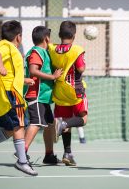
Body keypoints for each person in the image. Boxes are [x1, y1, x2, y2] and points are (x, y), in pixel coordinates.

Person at [0, 20, 38, 176]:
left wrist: (24, 80)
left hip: (11, 90)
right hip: (10, 93)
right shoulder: (5, 46)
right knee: (19, 126)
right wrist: (0, 66)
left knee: (11, 129)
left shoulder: (10, 48)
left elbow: (11, 73)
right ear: (18, 36)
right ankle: (22, 162)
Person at [48, 21, 88, 166]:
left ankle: (67, 153)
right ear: (74, 35)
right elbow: (81, 68)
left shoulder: (52, 49)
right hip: (74, 90)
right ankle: (62, 123)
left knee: (65, 123)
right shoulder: (77, 49)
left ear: (59, 34)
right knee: (83, 119)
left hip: (59, 91)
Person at [23, 26, 62, 165]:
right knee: (36, 122)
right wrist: (52, 76)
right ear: (46, 38)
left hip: (43, 97)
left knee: (50, 125)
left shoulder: (43, 52)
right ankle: (22, 152)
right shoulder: (36, 52)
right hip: (36, 95)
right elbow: (33, 71)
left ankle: (49, 155)